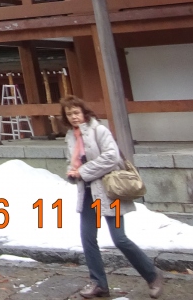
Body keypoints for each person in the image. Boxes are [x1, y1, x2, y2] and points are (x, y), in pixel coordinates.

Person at [61, 96, 162, 299]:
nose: (74, 117)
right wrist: (72, 173)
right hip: (88, 194)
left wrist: (84, 171)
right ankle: (99, 284)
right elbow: (73, 162)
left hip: (110, 193)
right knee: (88, 239)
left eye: (76, 112)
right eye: (69, 113)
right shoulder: (71, 136)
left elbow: (111, 157)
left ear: (84, 112)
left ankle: (153, 276)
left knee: (119, 238)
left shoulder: (99, 130)